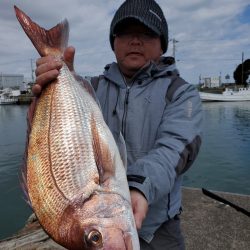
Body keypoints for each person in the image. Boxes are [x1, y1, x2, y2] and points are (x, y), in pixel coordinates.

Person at [33, 0, 202, 249]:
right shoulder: (90, 88)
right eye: (125, 33)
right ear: (113, 42)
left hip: (160, 228)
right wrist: (56, 78)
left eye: (146, 33)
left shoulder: (181, 93)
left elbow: (174, 150)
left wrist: (140, 187)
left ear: (162, 43)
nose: (135, 40)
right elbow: (53, 144)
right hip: (102, 222)